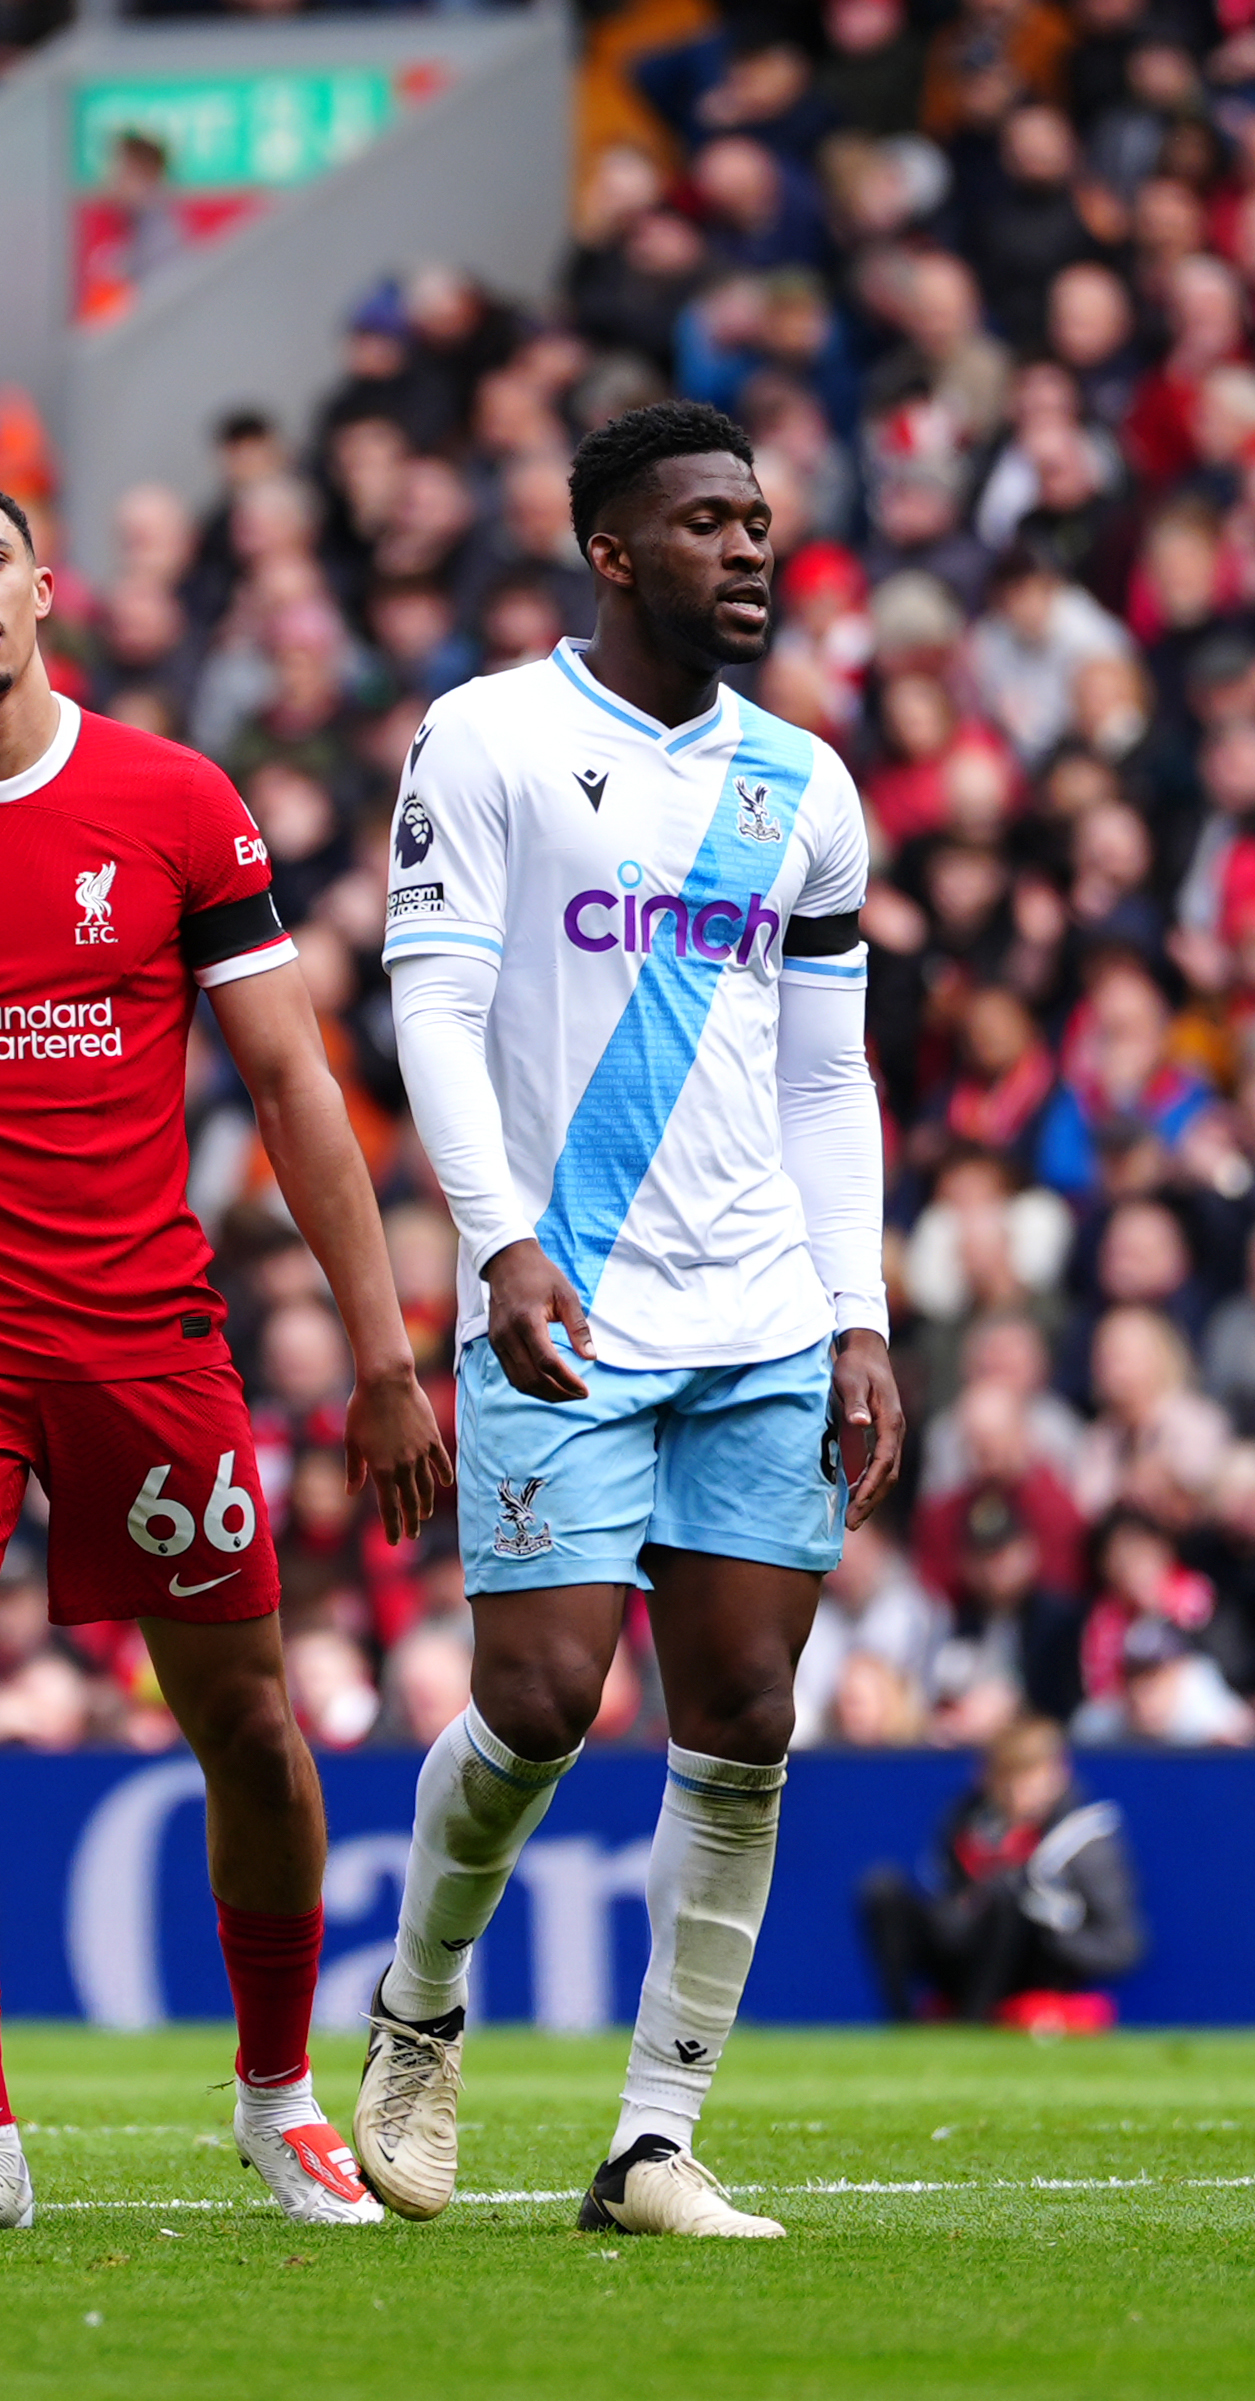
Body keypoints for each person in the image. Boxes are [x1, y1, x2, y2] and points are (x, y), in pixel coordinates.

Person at [0, 470, 449, 2233]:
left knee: (248, 1719)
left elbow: (292, 1081)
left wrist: (382, 1352)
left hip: (140, 1323)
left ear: (43, 585)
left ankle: (280, 2094)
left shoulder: (175, 802)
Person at [355, 399, 903, 2240]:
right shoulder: (492, 734)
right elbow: (432, 1007)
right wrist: (497, 1240)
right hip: (565, 1305)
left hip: (759, 1311)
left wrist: (862, 1313)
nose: (749, 549)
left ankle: (654, 2139)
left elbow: (828, 1081)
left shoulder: (805, 787)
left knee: (745, 1711)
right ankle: (418, 2011)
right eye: (705, 523)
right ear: (610, 549)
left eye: (759, 520)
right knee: (533, 1703)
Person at [859, 1716, 1142, 2029]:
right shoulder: (968, 1820)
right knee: (882, 1888)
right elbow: (951, 1901)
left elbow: (1122, 1947)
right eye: (1006, 1777)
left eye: (1028, 1777)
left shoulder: (1083, 1839)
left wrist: (1047, 1933)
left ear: (1057, 1776)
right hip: (965, 1955)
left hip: (1036, 1966)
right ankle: (902, 2023)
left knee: (1007, 1894)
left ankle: (972, 2025)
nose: (1015, 1792)